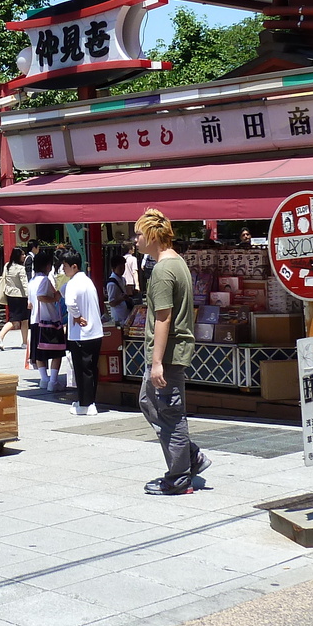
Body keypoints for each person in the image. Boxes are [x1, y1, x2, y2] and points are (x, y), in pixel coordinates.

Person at [137, 208, 209, 496]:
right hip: (171, 354)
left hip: (168, 356)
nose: (136, 239)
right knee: (149, 402)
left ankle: (179, 477)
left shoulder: (164, 270)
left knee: (170, 414)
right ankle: (190, 456)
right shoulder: (177, 262)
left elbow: (164, 318)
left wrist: (157, 362)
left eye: (139, 233)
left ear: (153, 236)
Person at [59, 248, 103, 416]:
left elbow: (69, 303)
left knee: (82, 369)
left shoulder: (73, 284)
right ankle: (90, 401)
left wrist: (76, 316)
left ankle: (84, 404)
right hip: (96, 333)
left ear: (74, 266)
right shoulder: (87, 281)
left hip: (81, 334)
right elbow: (63, 291)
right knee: (92, 368)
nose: (63, 269)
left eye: (65, 265)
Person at [30, 244, 69, 392]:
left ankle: (44, 379)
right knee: (56, 351)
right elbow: (41, 297)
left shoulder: (32, 281)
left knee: (40, 353)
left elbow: (30, 303)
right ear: (47, 266)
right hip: (49, 320)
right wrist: (55, 298)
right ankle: (53, 381)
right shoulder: (44, 280)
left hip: (36, 320)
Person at [0, 247, 30, 352]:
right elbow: (24, 284)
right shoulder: (20, 268)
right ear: (18, 256)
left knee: (22, 319)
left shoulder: (7, 266)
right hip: (21, 296)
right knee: (16, 320)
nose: (24, 256)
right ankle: (0, 336)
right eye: (22, 254)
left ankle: (24, 342)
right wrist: (29, 297)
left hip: (10, 295)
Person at [104, 262, 132, 329]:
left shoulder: (123, 279)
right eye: (120, 268)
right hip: (118, 315)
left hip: (125, 312)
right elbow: (111, 303)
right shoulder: (111, 284)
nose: (122, 270)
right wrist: (121, 298)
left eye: (123, 268)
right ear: (113, 269)